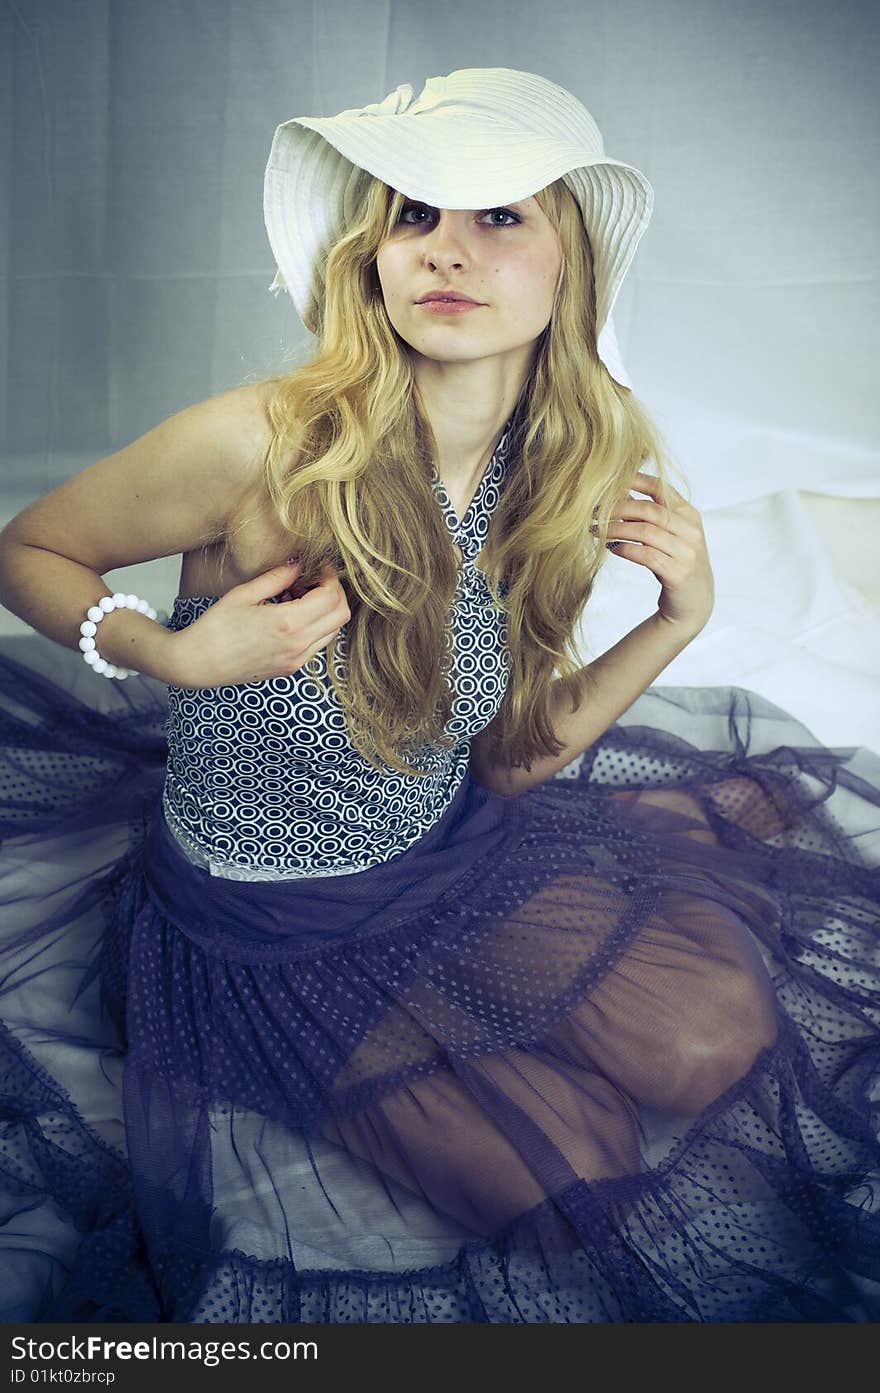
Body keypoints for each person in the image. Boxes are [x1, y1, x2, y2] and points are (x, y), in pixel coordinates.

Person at [0, 67, 877, 1325]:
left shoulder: (555, 465)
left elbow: (511, 761)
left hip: (451, 849)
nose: (444, 252)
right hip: (270, 932)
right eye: (413, 217)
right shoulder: (261, 446)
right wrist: (169, 652)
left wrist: (683, 616)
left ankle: (504, 988)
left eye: (496, 217)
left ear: (570, 264)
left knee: (712, 1041)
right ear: (371, 255)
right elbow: (27, 545)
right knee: (577, 1168)